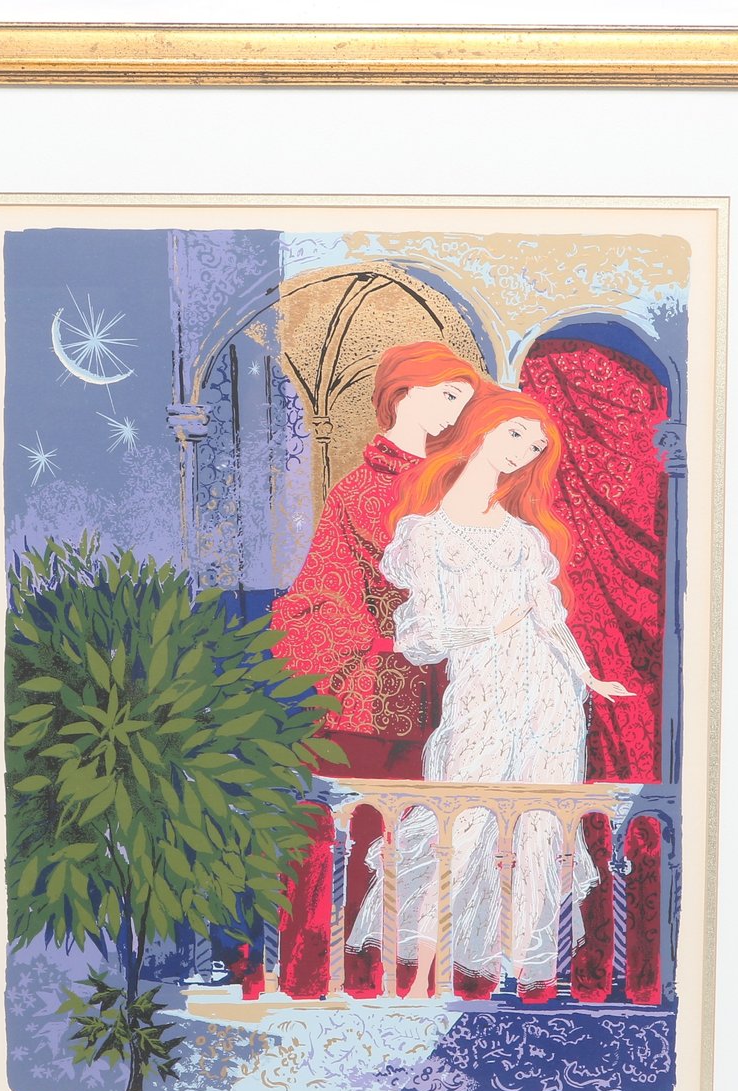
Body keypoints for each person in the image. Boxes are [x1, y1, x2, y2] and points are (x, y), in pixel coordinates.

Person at [346, 387, 633, 997]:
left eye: (534, 446)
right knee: (462, 821)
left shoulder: (524, 538)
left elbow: (548, 620)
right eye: (516, 434)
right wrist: (491, 629)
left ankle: (516, 973)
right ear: (482, 427)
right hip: (481, 687)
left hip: (548, 694)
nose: (523, 451)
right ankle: (423, 977)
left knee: (538, 825)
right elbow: (423, 638)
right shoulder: (426, 535)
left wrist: (587, 677)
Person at [267, 341, 485, 997]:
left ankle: (410, 980)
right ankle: (328, 977)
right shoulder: (363, 489)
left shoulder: (455, 479)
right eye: (446, 395)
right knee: (354, 836)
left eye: (464, 402)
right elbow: (349, 590)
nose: (454, 413)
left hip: (443, 689)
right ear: (402, 393)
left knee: (427, 840)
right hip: (362, 694)